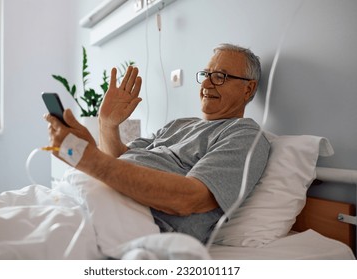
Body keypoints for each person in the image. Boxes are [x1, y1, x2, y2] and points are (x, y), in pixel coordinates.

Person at [45, 43, 270, 244]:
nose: (207, 84)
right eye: (205, 74)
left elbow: (190, 199)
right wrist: (107, 125)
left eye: (220, 76)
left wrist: (90, 160)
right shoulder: (179, 125)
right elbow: (122, 160)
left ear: (248, 88)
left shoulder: (244, 135)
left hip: (136, 221)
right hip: (92, 197)